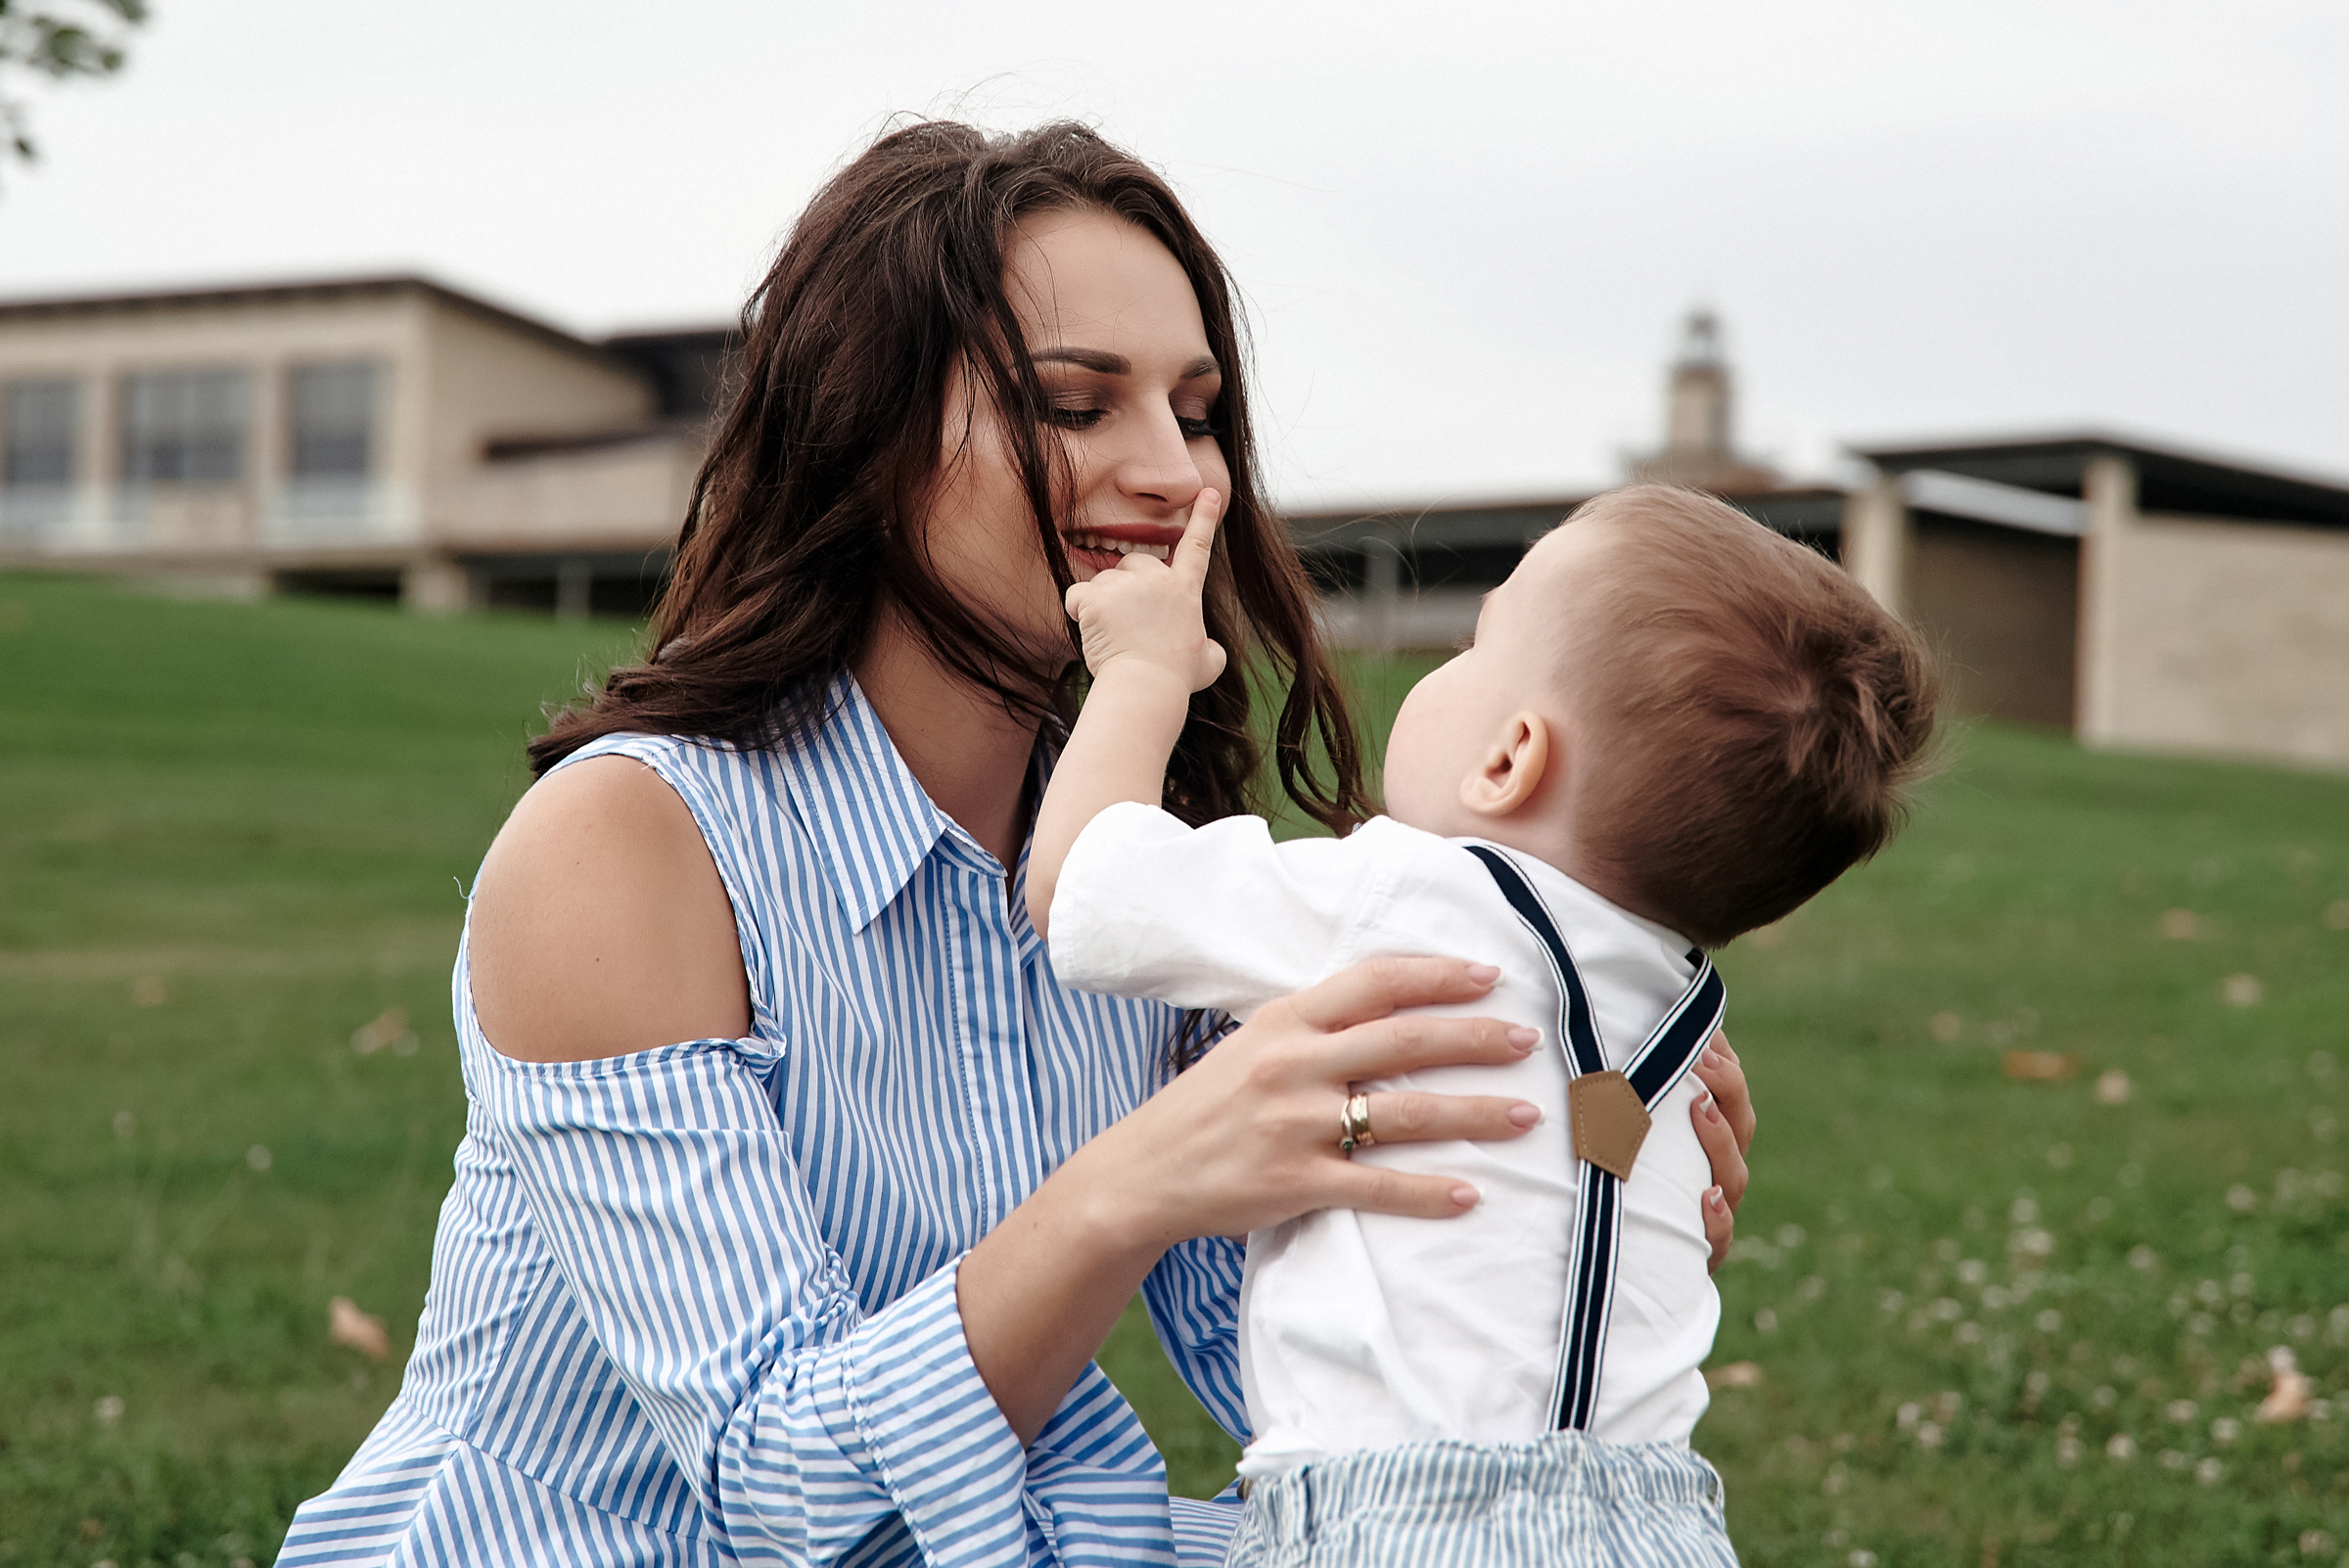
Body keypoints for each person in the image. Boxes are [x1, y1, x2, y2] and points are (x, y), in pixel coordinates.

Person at [275, 121, 1759, 1568]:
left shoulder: (1142, 867)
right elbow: (785, 1499)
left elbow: (1327, 1377)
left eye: (1194, 410)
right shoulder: (630, 843)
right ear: (866, 433)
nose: (1174, 474)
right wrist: (1139, 1177)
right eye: (1074, 403)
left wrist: (1584, 1160)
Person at [1029, 483, 1935, 1565]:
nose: (1439, 667)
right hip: (1662, 1519)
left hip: (1399, 1521)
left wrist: (1139, 675)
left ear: (1507, 760)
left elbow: (1088, 893)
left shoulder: (1406, 898)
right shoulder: (1676, 1010)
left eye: (1472, 642)